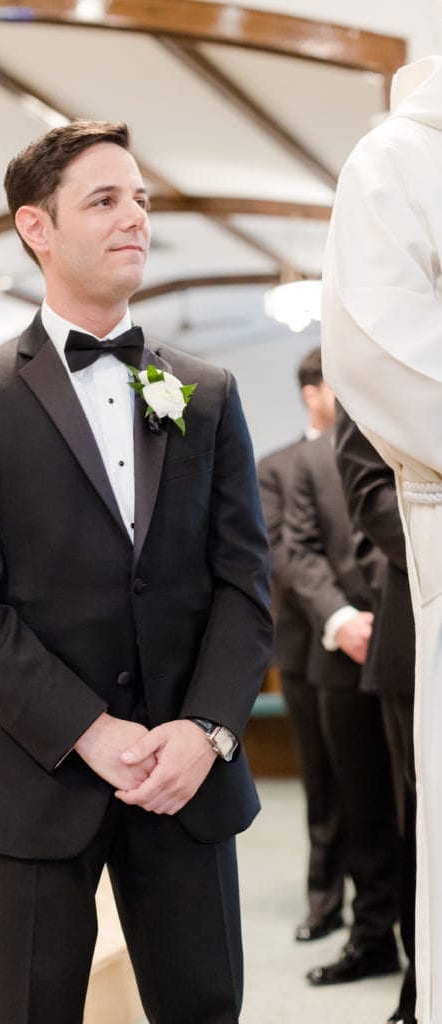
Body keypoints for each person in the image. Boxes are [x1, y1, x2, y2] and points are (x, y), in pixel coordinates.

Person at [0, 119, 272, 1024]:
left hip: (184, 780)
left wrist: (205, 731)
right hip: (35, 780)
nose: (136, 220)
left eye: (142, 200)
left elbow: (243, 583)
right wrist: (88, 729)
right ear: (37, 228)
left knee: (204, 1008)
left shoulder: (207, 391)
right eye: (105, 200)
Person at [321, 54, 442, 1024]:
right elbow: (360, 505)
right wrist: (337, 612)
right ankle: (396, 960)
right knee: (390, 819)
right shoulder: (397, 163)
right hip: (399, 616)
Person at [284, 428, 401, 987]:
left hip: (415, 643)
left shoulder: (415, 435)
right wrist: (340, 619)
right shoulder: (310, 458)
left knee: (420, 805)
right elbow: (297, 548)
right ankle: (373, 937)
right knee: (360, 808)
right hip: (340, 655)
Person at [257, 347, 344, 943]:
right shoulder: (277, 466)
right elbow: (280, 555)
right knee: (325, 780)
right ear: (311, 393)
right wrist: (334, 612)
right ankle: (325, 897)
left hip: (371, 640)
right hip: (305, 644)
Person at [334, 400, 417, 1024]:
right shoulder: (378, 335)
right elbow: (370, 494)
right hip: (421, 628)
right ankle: (427, 984)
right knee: (424, 826)